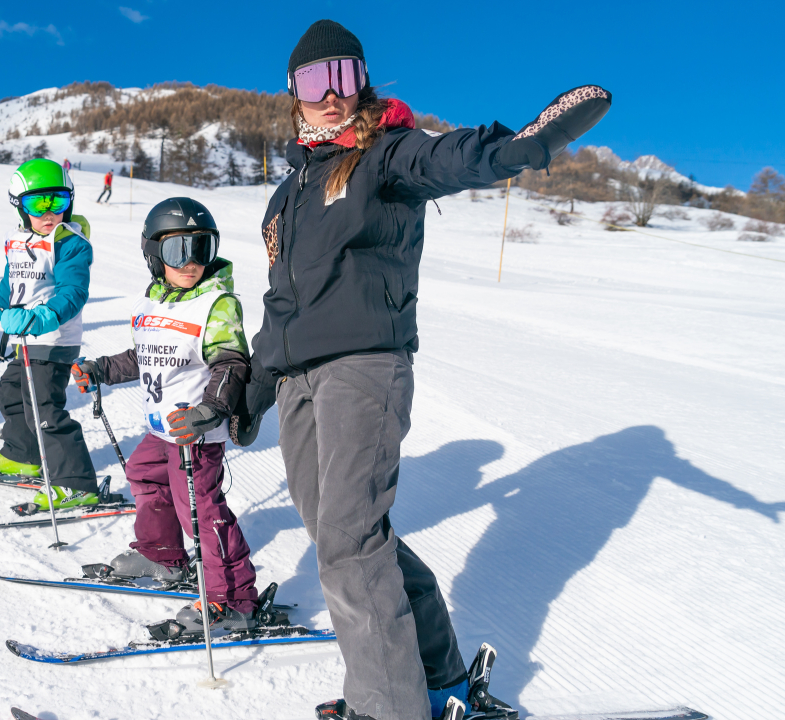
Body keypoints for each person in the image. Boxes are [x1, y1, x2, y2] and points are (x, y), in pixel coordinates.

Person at [244, 20, 612, 720]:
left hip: (362, 367)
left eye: (344, 76)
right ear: (293, 92)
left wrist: (518, 147)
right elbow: (281, 301)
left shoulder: (388, 153)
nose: (331, 93)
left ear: (363, 82)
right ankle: (437, 675)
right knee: (343, 535)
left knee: (349, 540)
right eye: (315, 80)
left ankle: (388, 708)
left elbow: (453, 158)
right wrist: (255, 385)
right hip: (297, 381)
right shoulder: (288, 194)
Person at [71, 197, 262, 634]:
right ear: (154, 254)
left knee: (203, 511)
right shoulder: (155, 301)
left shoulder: (216, 304)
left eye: (202, 247)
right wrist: (102, 369)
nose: (191, 261)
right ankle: (162, 554)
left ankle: (234, 599)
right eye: (178, 250)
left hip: (194, 433)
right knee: (144, 473)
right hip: (162, 429)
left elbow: (231, 363)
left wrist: (211, 410)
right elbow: (144, 355)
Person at [0, 158, 100, 510]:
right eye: (38, 204)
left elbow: (73, 293)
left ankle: (76, 483)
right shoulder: (18, 241)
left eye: (58, 201)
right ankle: (23, 454)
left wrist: (40, 318)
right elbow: (8, 290)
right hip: (27, 342)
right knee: (10, 393)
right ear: (20, 207)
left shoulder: (70, 243)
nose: (49, 213)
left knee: (44, 409)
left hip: (53, 341)